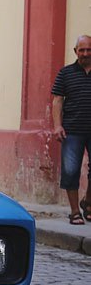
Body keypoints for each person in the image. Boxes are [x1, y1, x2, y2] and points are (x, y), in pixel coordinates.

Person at [51, 35, 91, 225]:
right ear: (75, 51)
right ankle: (75, 211)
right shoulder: (65, 73)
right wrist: (57, 125)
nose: (85, 53)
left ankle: (89, 203)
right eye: (81, 50)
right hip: (72, 130)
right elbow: (57, 100)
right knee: (70, 170)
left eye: (89, 49)